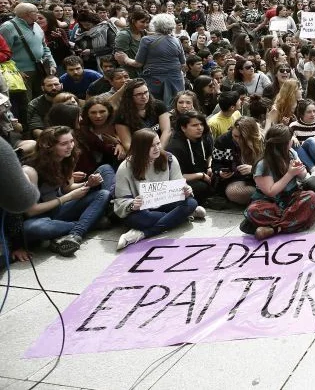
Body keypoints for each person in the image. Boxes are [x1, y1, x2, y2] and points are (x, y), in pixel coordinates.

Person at [21, 126, 111, 256]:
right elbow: (31, 211)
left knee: (103, 193)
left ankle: (75, 234)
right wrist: (67, 197)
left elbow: (67, 188)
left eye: (71, 141)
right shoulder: (30, 170)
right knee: (32, 228)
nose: (70, 146)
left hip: (60, 210)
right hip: (39, 217)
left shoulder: (68, 158)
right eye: (64, 143)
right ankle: (89, 222)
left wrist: (88, 184)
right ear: (48, 146)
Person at [113, 128, 202, 250]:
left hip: (166, 203)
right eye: (151, 146)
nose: (157, 148)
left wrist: (186, 191)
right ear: (140, 148)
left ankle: (142, 234)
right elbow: (120, 201)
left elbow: (180, 186)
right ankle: (182, 216)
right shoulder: (126, 167)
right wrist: (133, 204)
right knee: (136, 219)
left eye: (158, 143)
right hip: (142, 210)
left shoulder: (169, 159)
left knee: (191, 202)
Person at [240, 124, 315, 240]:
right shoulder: (263, 164)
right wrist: (289, 174)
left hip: (291, 198)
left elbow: (303, 176)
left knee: (311, 197)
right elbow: (270, 192)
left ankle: (274, 229)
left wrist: (300, 170)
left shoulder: (291, 153)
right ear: (283, 144)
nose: (292, 142)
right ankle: (292, 222)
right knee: (254, 211)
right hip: (270, 202)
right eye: (290, 140)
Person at [211, 116, 263, 206]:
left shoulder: (261, 141)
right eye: (235, 136)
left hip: (260, 177)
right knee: (234, 192)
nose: (238, 140)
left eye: (242, 138)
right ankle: (266, 196)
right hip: (235, 180)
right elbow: (215, 163)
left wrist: (253, 169)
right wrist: (220, 172)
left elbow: (271, 165)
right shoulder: (223, 141)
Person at [166, 111, 214, 205]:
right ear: (183, 128)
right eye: (194, 125)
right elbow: (176, 176)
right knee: (200, 187)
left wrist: (210, 166)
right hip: (184, 180)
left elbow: (209, 155)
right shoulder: (175, 147)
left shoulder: (204, 138)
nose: (199, 128)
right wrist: (201, 175)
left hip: (204, 174)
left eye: (201, 124)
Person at [136, 14, 186, 102]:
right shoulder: (177, 41)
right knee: (176, 103)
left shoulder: (146, 40)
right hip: (175, 80)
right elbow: (183, 64)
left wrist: (125, 59)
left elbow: (138, 63)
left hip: (154, 79)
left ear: (154, 25)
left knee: (155, 105)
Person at [114, 79, 171, 152]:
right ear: (130, 96)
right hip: (139, 151)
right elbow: (127, 143)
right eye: (138, 94)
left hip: (161, 147)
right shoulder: (121, 114)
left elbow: (166, 131)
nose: (144, 96)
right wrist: (143, 156)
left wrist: (159, 150)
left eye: (146, 92)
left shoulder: (159, 105)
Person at [26, 74, 63, 139]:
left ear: (62, 85)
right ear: (43, 88)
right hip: (48, 136)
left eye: (56, 84)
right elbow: (36, 130)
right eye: (49, 85)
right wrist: (54, 139)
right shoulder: (35, 105)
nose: (54, 88)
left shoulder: (70, 99)